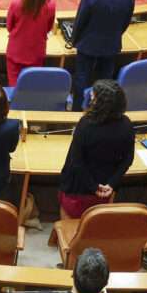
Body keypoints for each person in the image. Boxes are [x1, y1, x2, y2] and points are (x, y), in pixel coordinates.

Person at [59, 79, 135, 218]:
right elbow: (128, 159)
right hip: (107, 184)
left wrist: (93, 186)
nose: (91, 99)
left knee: (69, 221)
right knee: (96, 220)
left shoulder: (86, 124)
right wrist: (111, 184)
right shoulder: (127, 125)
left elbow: (76, 160)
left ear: (99, 103)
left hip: (79, 186)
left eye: (93, 97)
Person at [70, 0, 135, 110]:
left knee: (81, 79)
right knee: (105, 82)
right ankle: (101, 110)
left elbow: (80, 22)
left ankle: (77, 112)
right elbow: (126, 21)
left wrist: (74, 41)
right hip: (111, 45)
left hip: (87, 46)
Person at [6, 0, 56, 86]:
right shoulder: (51, 6)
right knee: (30, 89)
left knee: (14, 90)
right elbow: (48, 28)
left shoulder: (16, 4)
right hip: (36, 55)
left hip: (16, 55)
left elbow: (9, 26)